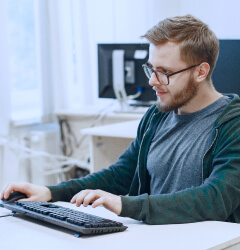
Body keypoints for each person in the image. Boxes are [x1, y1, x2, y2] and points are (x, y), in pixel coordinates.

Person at [2, 14, 240, 225]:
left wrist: (127, 205)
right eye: (151, 69)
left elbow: (216, 199)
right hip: (156, 239)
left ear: (201, 72)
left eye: (165, 72)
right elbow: (120, 175)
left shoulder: (232, 123)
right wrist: (49, 192)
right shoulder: (157, 117)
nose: (152, 81)